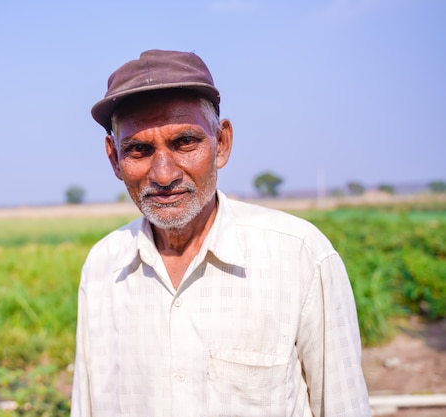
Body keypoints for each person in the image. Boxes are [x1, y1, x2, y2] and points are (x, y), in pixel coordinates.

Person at [71, 49, 371, 417]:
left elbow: (343, 406)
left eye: (185, 143)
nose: (164, 174)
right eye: (139, 150)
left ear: (222, 143)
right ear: (114, 159)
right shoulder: (104, 267)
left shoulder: (299, 255)